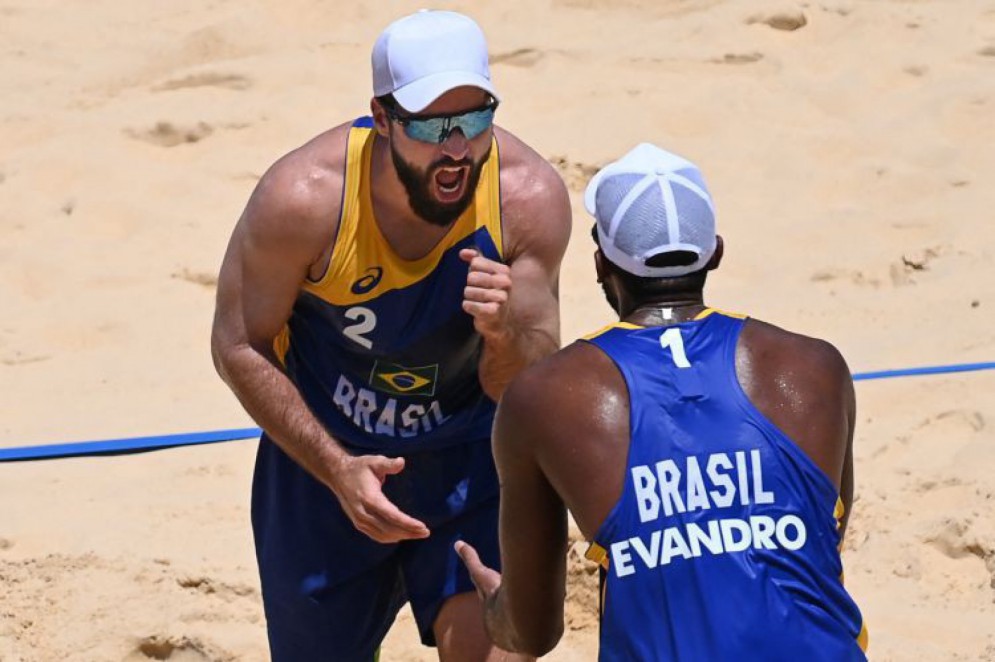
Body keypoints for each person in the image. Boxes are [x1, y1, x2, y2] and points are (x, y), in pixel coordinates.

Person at [210, 9, 570, 661]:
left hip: (470, 455)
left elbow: (528, 386)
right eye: (432, 127)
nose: (456, 148)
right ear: (382, 119)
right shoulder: (303, 199)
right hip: (327, 462)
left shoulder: (526, 198)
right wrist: (336, 469)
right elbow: (239, 345)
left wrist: (504, 336)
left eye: (476, 119)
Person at [457, 143, 869, 660]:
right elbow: (820, 548)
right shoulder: (816, 368)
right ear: (715, 252)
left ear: (601, 262)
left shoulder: (546, 396)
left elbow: (534, 631)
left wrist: (497, 609)